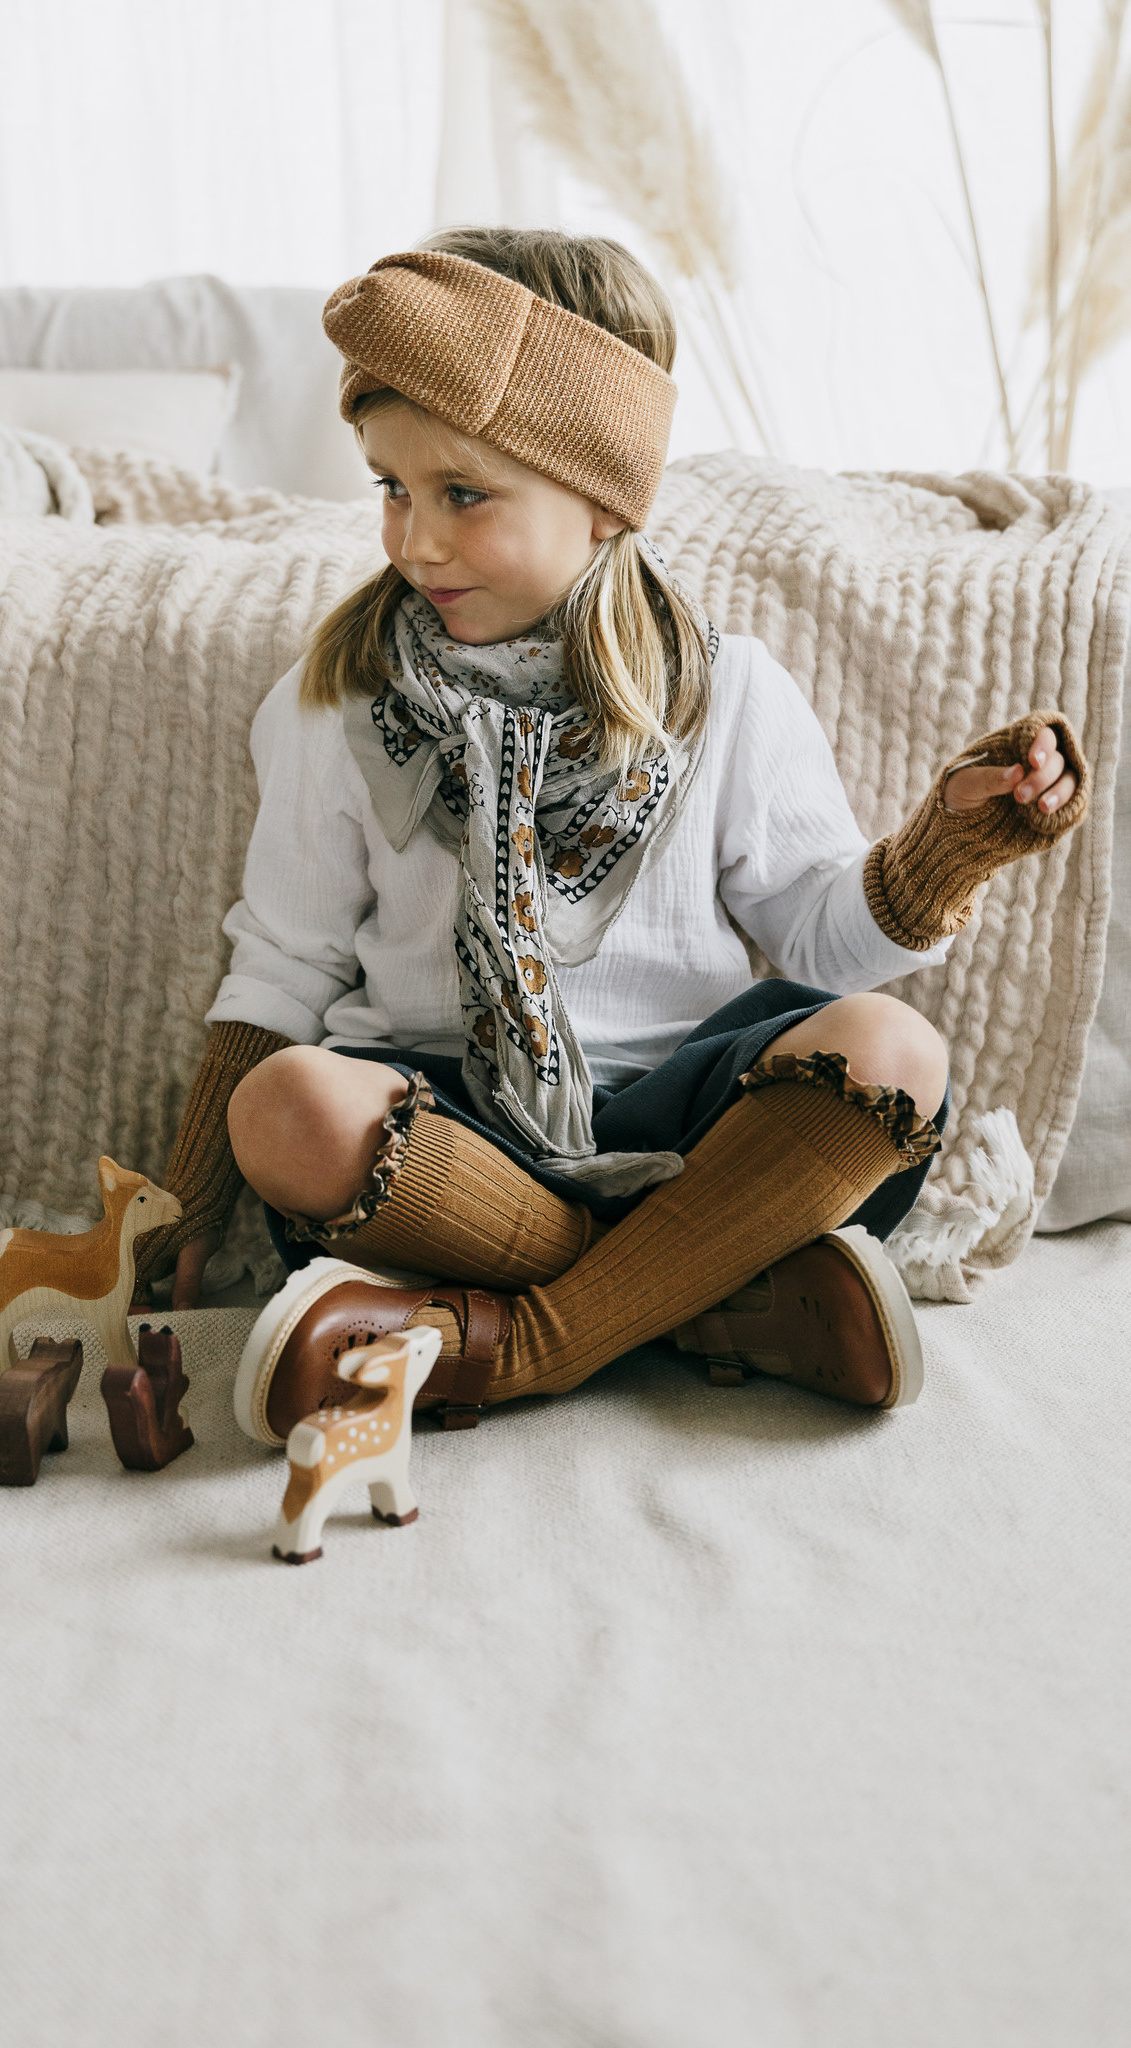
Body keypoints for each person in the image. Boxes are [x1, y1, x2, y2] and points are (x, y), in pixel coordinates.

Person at [133, 227, 1086, 1446]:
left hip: (689, 1122)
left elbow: (825, 941)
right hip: (451, 1144)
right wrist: (191, 1196)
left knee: (895, 1048)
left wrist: (951, 845)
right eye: (390, 486)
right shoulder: (339, 703)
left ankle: (524, 1343)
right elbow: (283, 961)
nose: (413, 540)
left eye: (463, 494)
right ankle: (714, 1295)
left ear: (601, 497)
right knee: (283, 1107)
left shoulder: (727, 692)